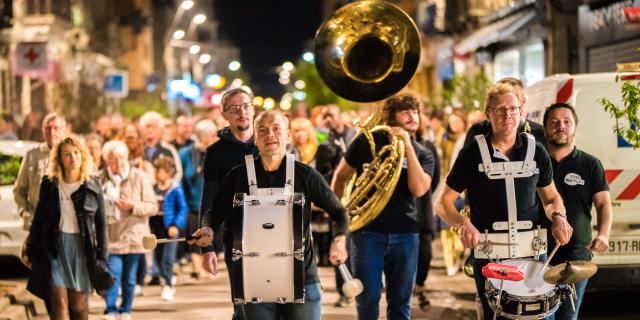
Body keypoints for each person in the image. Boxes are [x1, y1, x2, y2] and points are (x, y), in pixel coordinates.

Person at [191, 111, 348, 320]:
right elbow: (214, 213)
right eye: (262, 130)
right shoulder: (238, 175)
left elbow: (339, 212)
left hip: (303, 279)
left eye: (276, 129)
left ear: (288, 136)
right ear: (255, 138)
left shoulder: (306, 175)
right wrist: (208, 230)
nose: (269, 135)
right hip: (255, 282)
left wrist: (339, 241)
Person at [437, 83, 573, 320]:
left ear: (521, 111)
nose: (507, 115)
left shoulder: (537, 150)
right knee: (496, 317)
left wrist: (559, 216)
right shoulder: (472, 153)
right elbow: (443, 203)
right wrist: (462, 223)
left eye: (512, 109)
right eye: (500, 110)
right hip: (490, 255)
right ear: (488, 114)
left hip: (532, 252)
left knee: (536, 317)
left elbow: (551, 198)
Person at [332, 94, 435, 320]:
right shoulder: (366, 141)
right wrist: (340, 212)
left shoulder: (424, 153)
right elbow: (340, 177)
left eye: (415, 112)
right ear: (392, 116)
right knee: (367, 300)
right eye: (405, 112)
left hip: (406, 234)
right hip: (368, 233)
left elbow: (419, 189)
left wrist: (407, 144)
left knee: (400, 304)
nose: (412, 116)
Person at [24, 136, 107, 320]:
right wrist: (31, 248)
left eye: (76, 153)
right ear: (60, 158)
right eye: (67, 154)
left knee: (78, 307)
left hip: (82, 249)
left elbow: (101, 222)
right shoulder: (50, 183)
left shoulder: (92, 184)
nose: (72, 157)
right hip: (55, 248)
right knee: (59, 305)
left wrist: (102, 256)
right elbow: (39, 219)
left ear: (82, 155)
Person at [543, 103, 612, 320]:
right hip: (539, 255)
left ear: (576, 128)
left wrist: (603, 234)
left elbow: (603, 204)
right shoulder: (536, 162)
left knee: (568, 317)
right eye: (554, 122)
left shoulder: (590, 164)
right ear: (545, 128)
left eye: (567, 122)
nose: (561, 126)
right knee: (542, 317)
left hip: (576, 258)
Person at [200, 87, 260, 320]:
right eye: (234, 108)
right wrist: (207, 247)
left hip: (273, 234)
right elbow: (210, 200)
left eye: (246, 105)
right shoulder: (215, 153)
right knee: (243, 305)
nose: (241, 112)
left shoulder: (270, 142)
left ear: (253, 109)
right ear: (224, 115)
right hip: (235, 236)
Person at [100, 140, 158, 320]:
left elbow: (152, 206)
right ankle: (110, 309)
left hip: (135, 236)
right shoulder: (100, 178)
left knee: (130, 278)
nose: (119, 163)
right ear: (107, 161)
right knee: (112, 275)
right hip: (112, 236)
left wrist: (132, 206)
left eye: (122, 159)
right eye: (114, 160)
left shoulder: (139, 177)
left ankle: (126, 309)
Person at [314, 104, 356, 308]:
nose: (329, 119)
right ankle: (344, 291)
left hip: (359, 198)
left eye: (332, 115)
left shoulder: (355, 136)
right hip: (338, 202)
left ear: (341, 116)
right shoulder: (325, 143)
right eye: (326, 116)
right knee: (340, 244)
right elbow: (321, 174)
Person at [14, 113, 67, 230]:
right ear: (43, 130)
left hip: (65, 226)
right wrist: (26, 214)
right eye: (48, 128)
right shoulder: (32, 155)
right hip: (38, 225)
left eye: (56, 128)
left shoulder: (72, 155)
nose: (52, 133)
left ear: (64, 130)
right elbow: (18, 190)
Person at [180, 119, 218, 279]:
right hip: (191, 201)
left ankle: (204, 265)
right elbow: (181, 178)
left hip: (212, 201)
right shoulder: (185, 154)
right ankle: (197, 267)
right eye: (212, 135)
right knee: (195, 235)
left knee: (208, 233)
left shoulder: (216, 152)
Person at [462, 77, 546, 147]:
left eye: (515, 94)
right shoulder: (478, 130)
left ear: (523, 101)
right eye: (500, 108)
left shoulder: (538, 131)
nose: (509, 99)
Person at [149, 157, 188, 301]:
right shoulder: (153, 188)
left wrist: (176, 225)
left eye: (158, 171)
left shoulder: (175, 188)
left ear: (168, 172)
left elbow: (182, 208)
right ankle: (166, 278)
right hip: (156, 226)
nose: (155, 174)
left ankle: (168, 285)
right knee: (158, 256)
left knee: (168, 258)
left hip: (171, 227)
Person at [413, 118, 441, 310]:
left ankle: (420, 285)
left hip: (422, 212)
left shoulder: (428, 146)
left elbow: (436, 177)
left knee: (425, 255)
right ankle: (409, 292)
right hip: (400, 217)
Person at [139, 111, 183, 181]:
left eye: (154, 127)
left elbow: (178, 173)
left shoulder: (169, 149)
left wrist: (167, 188)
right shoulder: (137, 149)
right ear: (142, 129)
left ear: (161, 130)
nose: (150, 130)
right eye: (147, 126)